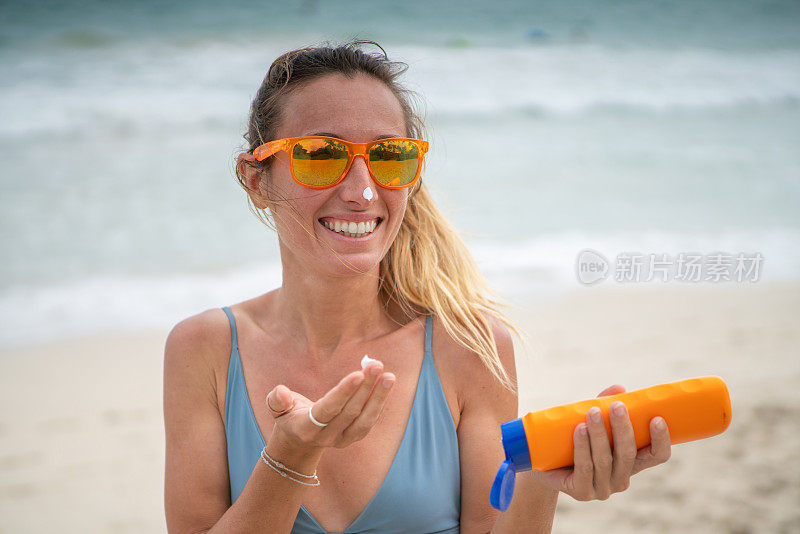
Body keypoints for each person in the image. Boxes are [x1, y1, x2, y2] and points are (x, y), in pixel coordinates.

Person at [163, 40, 672, 534]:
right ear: (256, 181)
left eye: (390, 156)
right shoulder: (204, 350)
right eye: (320, 155)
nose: (362, 190)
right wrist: (288, 459)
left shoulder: (470, 347)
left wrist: (539, 482)